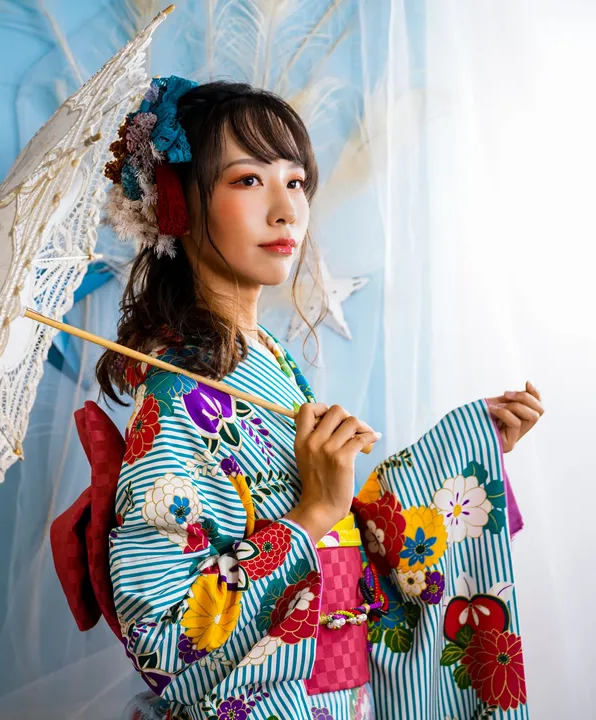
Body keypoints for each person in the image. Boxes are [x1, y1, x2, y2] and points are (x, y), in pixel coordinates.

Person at [95, 77, 544, 720]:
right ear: (179, 205)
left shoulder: (267, 358)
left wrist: (470, 449)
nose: (287, 210)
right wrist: (312, 514)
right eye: (248, 180)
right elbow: (162, 635)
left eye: (296, 180)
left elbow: (350, 539)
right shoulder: (177, 395)